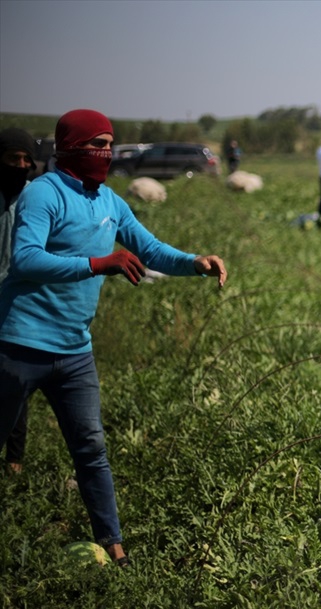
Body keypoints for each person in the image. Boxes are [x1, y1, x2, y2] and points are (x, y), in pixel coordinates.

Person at [0, 109, 228, 567]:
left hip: (74, 352)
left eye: (110, 143)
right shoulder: (44, 194)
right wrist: (97, 264)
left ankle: (115, 546)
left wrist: (194, 262)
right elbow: (24, 259)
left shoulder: (109, 202)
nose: (105, 152)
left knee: (92, 449)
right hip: (18, 344)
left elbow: (150, 248)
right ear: (70, 148)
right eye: (96, 144)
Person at [0, 127, 37, 474]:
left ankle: (15, 458)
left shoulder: (32, 196)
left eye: (27, 160)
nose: (21, 165)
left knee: (16, 381)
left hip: (18, 303)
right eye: (13, 158)